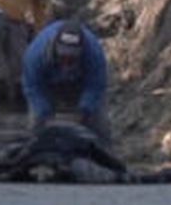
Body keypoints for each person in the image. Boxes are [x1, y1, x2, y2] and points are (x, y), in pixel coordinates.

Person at [22, 18, 112, 146]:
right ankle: (35, 153)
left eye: (71, 58)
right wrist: (44, 111)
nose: (66, 62)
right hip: (47, 84)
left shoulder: (94, 52)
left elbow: (96, 86)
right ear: (55, 47)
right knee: (37, 123)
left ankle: (105, 154)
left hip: (81, 83)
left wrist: (84, 109)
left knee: (99, 124)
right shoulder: (35, 54)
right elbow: (33, 87)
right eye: (63, 57)